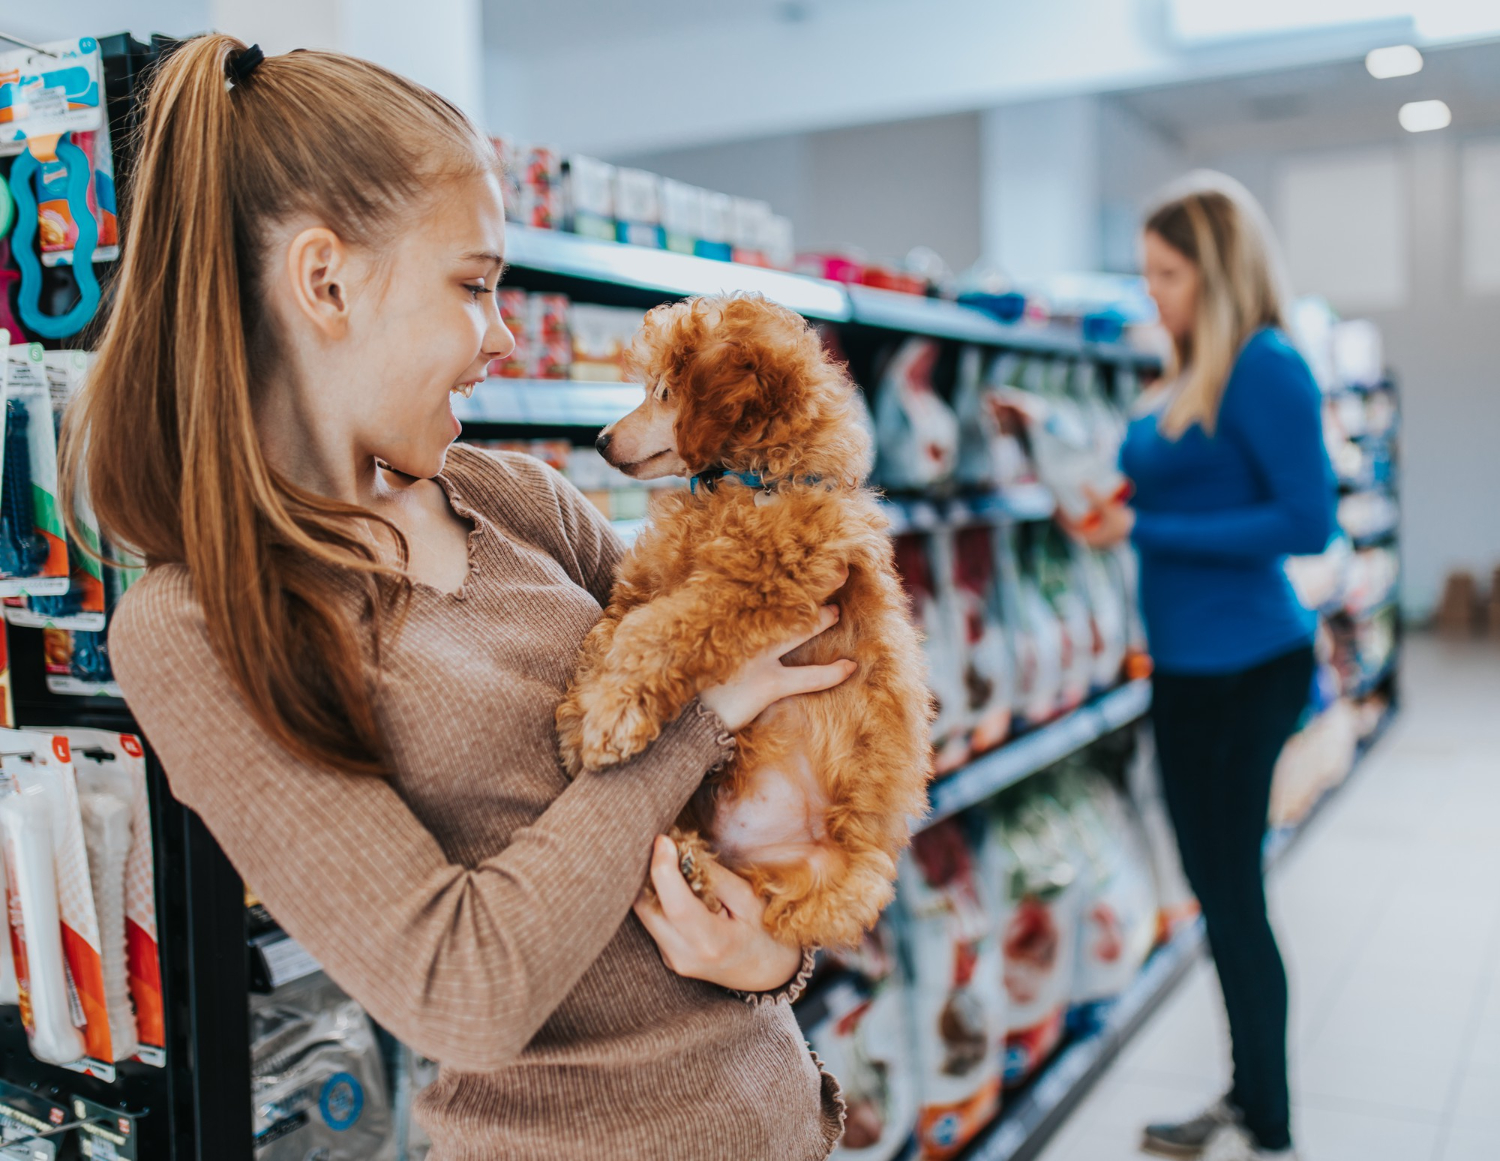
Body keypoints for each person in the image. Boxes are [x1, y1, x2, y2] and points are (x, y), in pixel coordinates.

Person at [66, 37, 853, 1160]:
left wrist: (779, 955)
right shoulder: (199, 624)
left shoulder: (516, 498)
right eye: (474, 286)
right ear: (327, 280)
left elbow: (750, 806)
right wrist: (698, 712)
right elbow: (462, 990)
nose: (505, 337)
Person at [1067, 173, 1335, 1161]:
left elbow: (1309, 522)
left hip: (1247, 662)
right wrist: (1104, 510)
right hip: (1184, 667)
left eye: (1169, 274)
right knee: (1217, 894)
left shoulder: (1265, 366)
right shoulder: (1184, 372)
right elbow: (1165, 493)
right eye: (1146, 274)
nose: (1154, 294)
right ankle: (1246, 1092)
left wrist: (1146, 525)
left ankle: (1268, 1117)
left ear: (1217, 270)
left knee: (1232, 896)